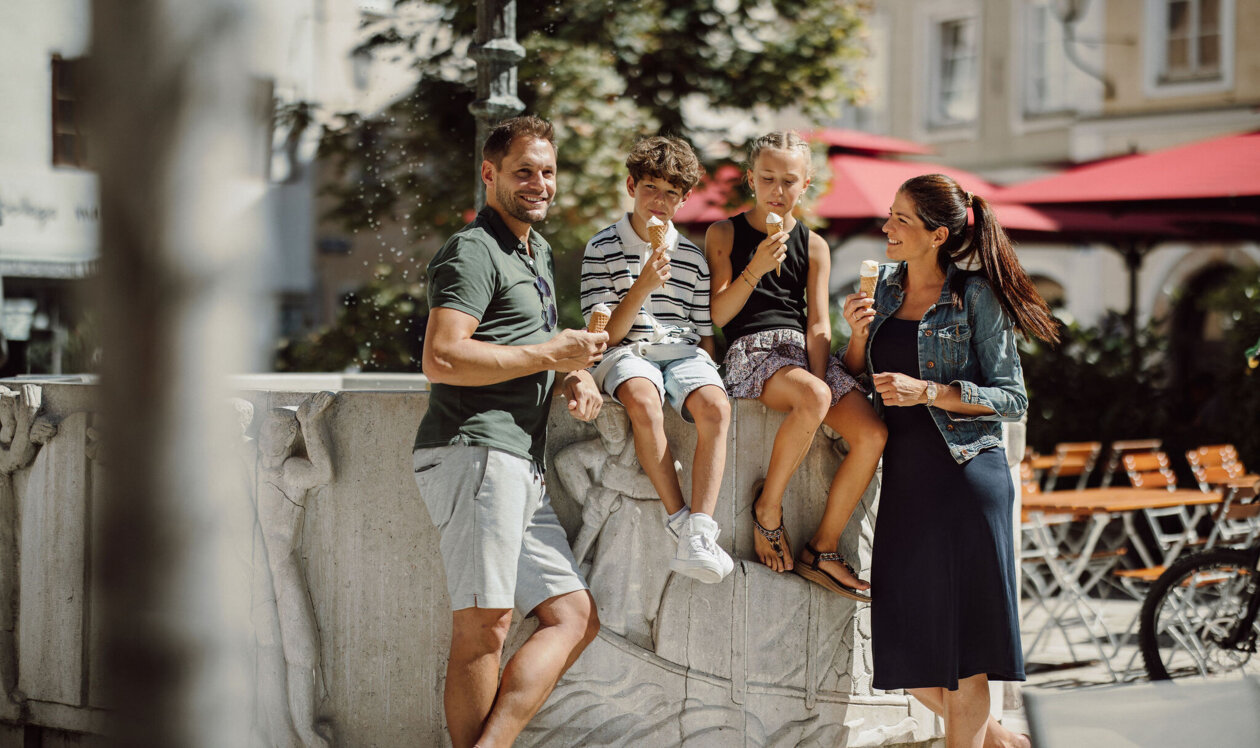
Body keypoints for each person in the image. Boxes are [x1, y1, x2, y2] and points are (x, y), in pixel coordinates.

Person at [842, 174, 1059, 748]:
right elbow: (858, 376)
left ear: (937, 235)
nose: (886, 227)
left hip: (967, 475)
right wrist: (857, 336)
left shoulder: (975, 295)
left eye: (901, 220)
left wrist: (929, 391)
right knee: (898, 637)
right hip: (909, 481)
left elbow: (1013, 398)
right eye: (889, 215)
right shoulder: (883, 289)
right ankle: (997, 739)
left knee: (967, 647)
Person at [413, 115, 608, 748]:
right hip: (473, 451)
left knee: (574, 616)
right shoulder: (474, 249)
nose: (539, 183)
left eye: (548, 171)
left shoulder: (537, 251)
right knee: (485, 627)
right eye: (524, 171)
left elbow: (531, 349)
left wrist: (570, 374)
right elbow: (442, 357)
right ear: (490, 174)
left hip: (520, 462)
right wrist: (552, 356)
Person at [706, 131, 886, 600]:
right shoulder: (724, 233)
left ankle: (822, 550)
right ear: (750, 178)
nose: (777, 190)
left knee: (872, 434)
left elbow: (819, 323)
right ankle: (768, 509)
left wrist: (823, 373)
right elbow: (719, 316)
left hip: (803, 359)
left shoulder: (817, 245)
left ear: (806, 183)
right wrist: (758, 267)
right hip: (753, 351)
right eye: (767, 178)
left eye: (789, 180)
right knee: (815, 395)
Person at [580, 135, 733, 583]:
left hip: (682, 352)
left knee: (717, 407)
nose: (659, 202)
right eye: (651, 188)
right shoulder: (601, 247)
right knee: (644, 401)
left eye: (671, 193)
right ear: (631, 186)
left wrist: (705, 374)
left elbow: (704, 335)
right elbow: (605, 335)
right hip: (626, 350)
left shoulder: (693, 258)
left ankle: (700, 529)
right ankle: (680, 522)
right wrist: (642, 285)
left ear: (684, 200)